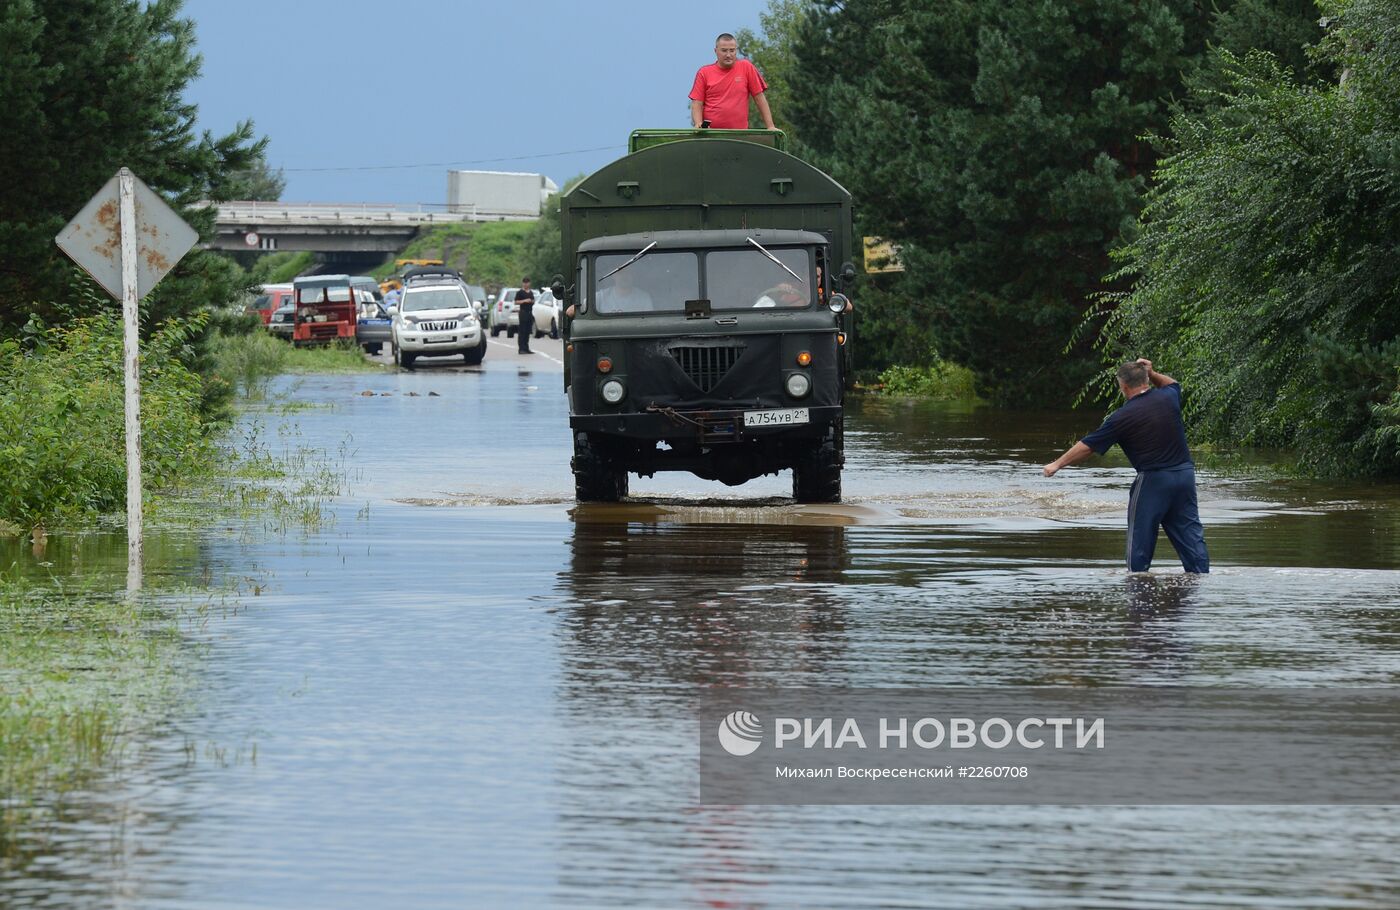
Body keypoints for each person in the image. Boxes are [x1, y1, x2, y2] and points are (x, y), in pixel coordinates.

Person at [1043, 359, 1210, 574]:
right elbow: (1173, 384)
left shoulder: (1122, 417)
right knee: (1190, 535)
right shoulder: (1168, 397)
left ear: (1123, 386)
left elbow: (1088, 446)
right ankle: (1201, 580)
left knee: (1140, 540)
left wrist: (1056, 464)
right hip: (1185, 476)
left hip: (1153, 480)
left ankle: (1138, 584)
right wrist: (1154, 372)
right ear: (1146, 379)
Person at [689, 33, 775, 130]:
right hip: (711, 135)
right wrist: (698, 124)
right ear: (716, 51)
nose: (728, 55)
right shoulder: (704, 72)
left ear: (736, 51)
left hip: (739, 135)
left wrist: (770, 126)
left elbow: (759, 98)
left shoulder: (746, 67)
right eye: (724, 50)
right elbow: (697, 103)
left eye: (732, 50)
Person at [514, 277, 535, 354]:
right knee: (522, 331)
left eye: (527, 282)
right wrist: (524, 301)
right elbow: (516, 302)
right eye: (525, 282)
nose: (526, 284)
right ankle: (521, 348)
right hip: (523, 312)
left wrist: (531, 301)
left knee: (527, 331)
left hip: (530, 312)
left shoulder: (530, 292)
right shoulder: (520, 292)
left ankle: (526, 348)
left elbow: (533, 300)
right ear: (523, 283)